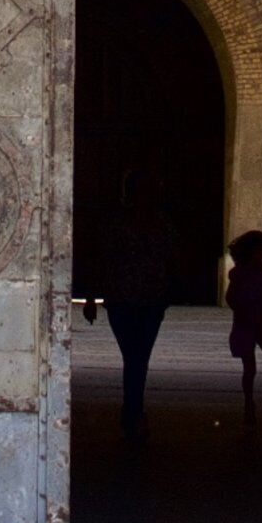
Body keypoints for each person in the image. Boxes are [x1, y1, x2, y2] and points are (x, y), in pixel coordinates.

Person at [99, 176, 175, 446]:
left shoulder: (157, 223)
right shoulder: (124, 223)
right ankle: (133, 411)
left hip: (146, 298)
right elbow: (103, 257)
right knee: (135, 357)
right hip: (126, 297)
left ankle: (132, 410)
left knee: (137, 358)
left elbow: (170, 258)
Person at [224, 229, 262, 417]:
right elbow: (232, 298)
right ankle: (250, 400)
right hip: (247, 323)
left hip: (258, 323)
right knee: (252, 365)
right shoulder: (243, 275)